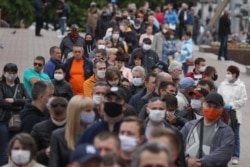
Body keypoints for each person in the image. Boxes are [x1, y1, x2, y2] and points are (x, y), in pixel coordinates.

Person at [181, 93, 234, 167]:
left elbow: (224, 154)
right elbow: (177, 146)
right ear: (203, 105)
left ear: (221, 109)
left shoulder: (226, 131)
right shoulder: (189, 125)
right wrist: (186, 160)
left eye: (216, 107)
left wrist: (200, 163)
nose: (211, 109)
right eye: (209, 106)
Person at [49, 95, 96, 167]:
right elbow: (54, 163)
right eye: (88, 110)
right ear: (76, 113)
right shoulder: (58, 135)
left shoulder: (95, 133)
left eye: (92, 109)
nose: (92, 113)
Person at [0, 63, 30, 165]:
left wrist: (13, 101)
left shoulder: (21, 86)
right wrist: (19, 104)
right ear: (4, 73)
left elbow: (29, 101)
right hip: (3, 120)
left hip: (18, 121)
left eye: (13, 73)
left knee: (17, 148)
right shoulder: (1, 86)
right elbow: (1, 102)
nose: (11, 75)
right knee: (4, 150)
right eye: (9, 72)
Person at [217, 65, 247, 165]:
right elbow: (218, 96)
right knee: (221, 134)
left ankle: (235, 155)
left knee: (235, 135)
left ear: (234, 75)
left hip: (235, 114)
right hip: (223, 113)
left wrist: (232, 105)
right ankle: (221, 154)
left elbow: (243, 100)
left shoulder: (241, 86)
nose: (227, 75)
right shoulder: (223, 84)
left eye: (229, 73)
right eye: (227, 72)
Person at [31, 97, 68, 166]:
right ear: (50, 111)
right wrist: (44, 153)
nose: (58, 121)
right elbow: (30, 154)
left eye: (61, 118)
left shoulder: (75, 128)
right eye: (56, 118)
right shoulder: (38, 128)